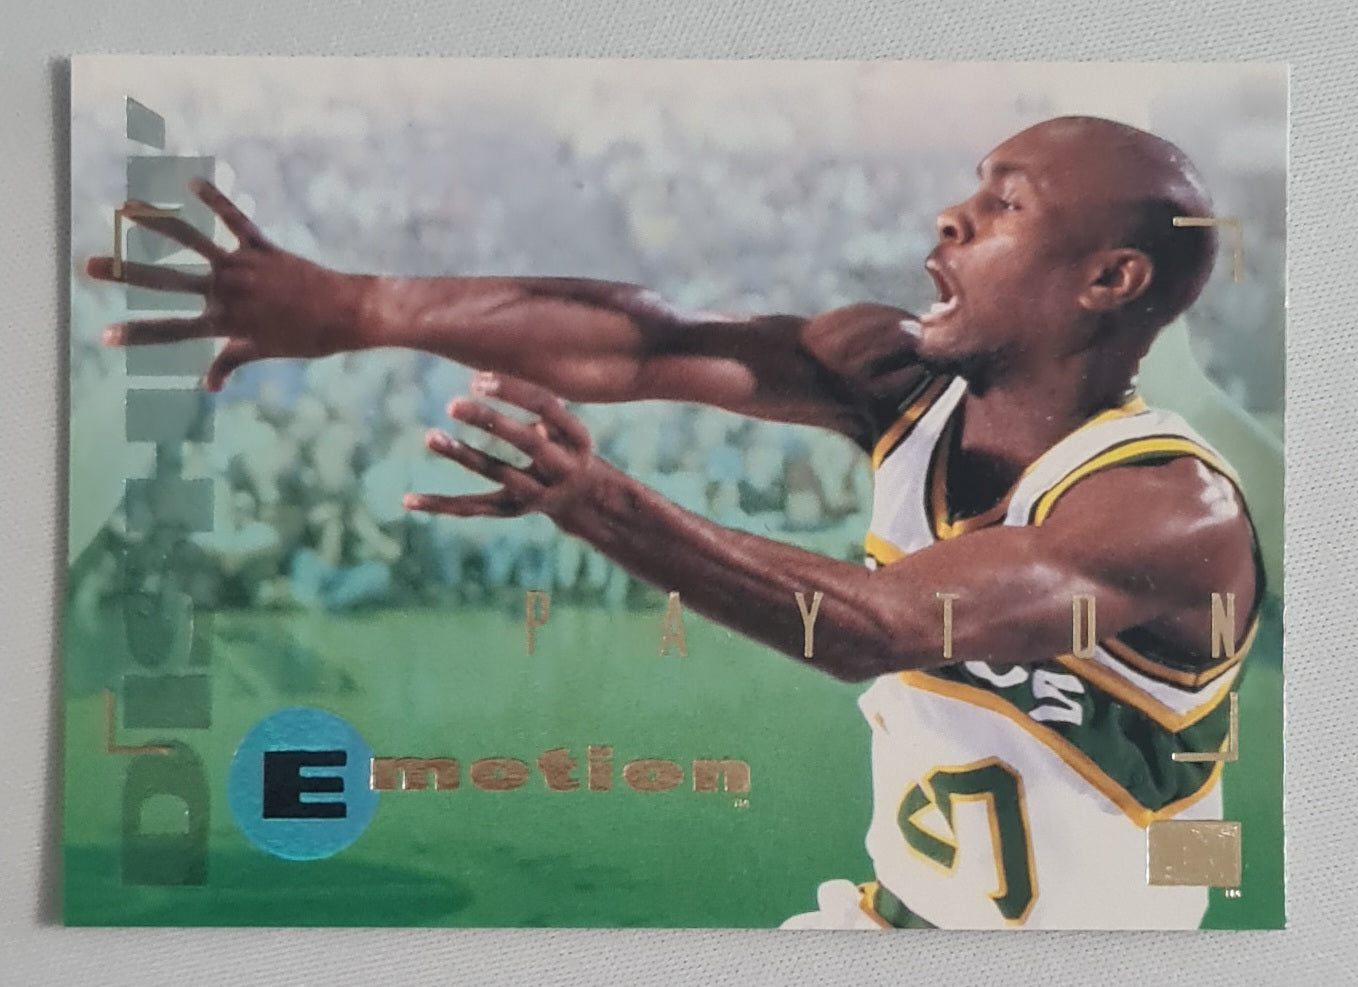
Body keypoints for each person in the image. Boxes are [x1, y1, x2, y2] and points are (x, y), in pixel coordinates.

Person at [88, 115, 1262, 930]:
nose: (951, 217)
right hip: (895, 922)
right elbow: (646, 342)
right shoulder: (896, 379)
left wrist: (596, 502)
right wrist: (359, 306)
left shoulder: (1169, 510)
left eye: (1002, 204)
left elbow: (880, 626)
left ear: (1106, 281)